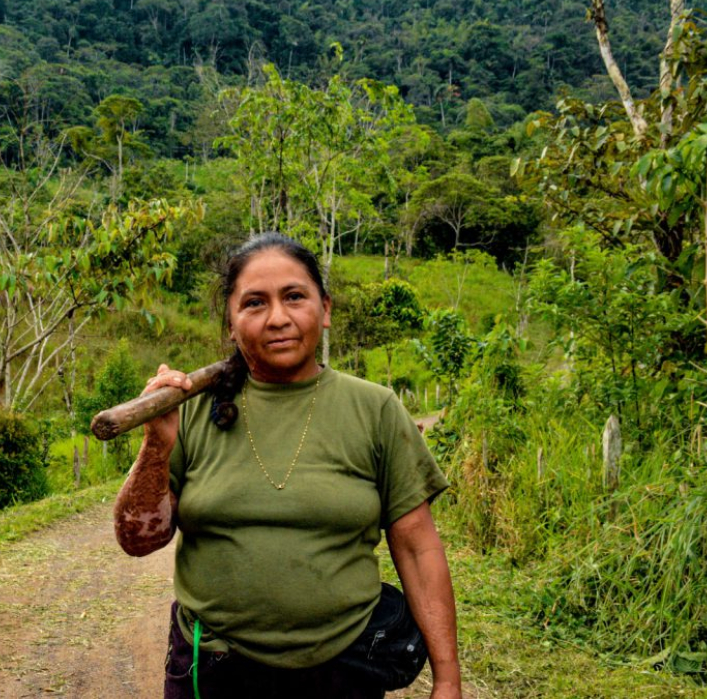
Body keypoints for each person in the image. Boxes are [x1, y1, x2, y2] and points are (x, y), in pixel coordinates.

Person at [114, 232, 461, 699]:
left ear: (326, 309)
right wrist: (156, 444)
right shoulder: (191, 409)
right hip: (214, 668)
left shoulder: (375, 409)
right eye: (254, 303)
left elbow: (418, 548)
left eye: (294, 296)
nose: (278, 318)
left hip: (343, 668)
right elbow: (138, 540)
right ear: (232, 324)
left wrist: (448, 679)